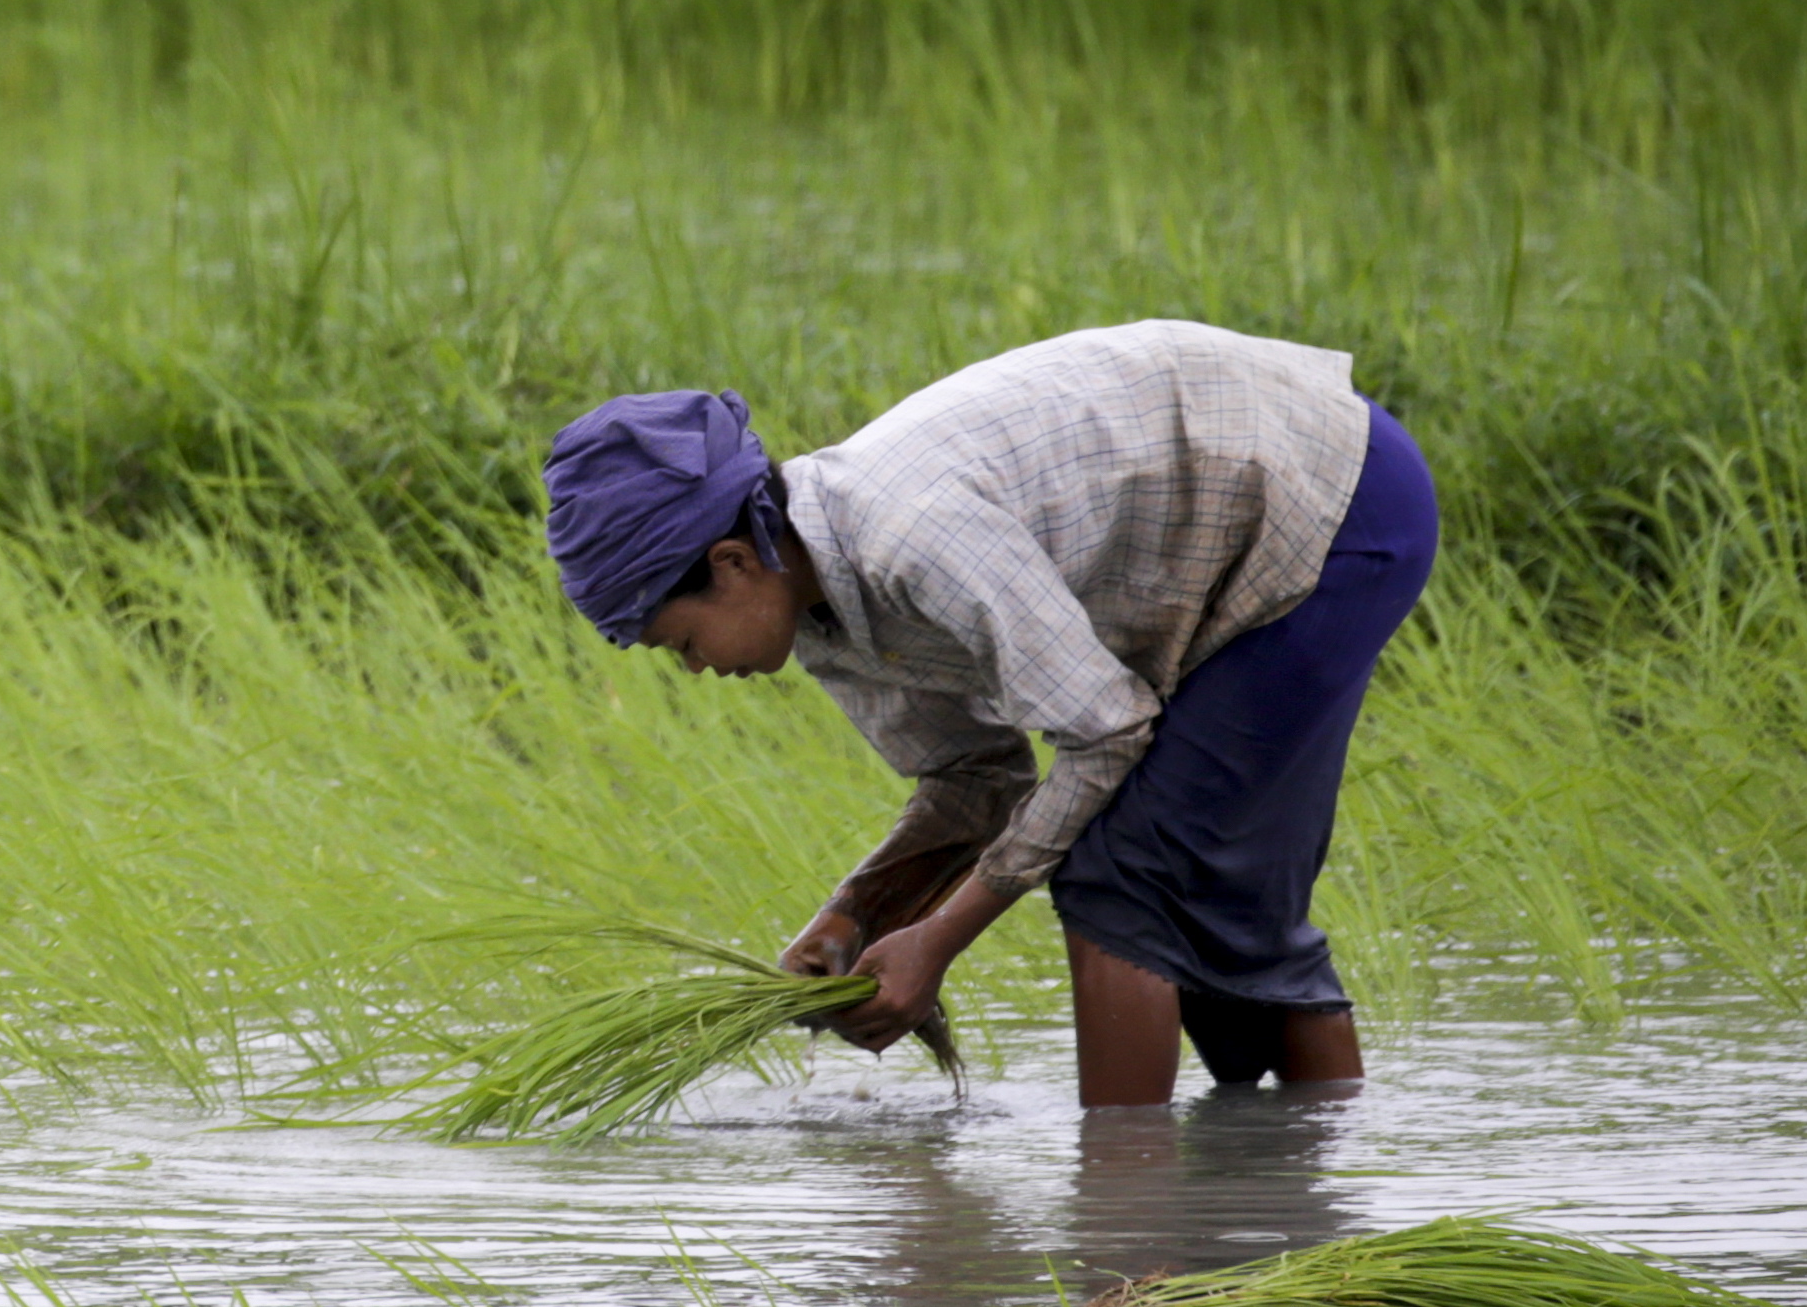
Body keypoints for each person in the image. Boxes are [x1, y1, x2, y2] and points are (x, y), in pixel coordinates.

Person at [541, 319, 1437, 1108]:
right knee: (1218, 908)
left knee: (1122, 882)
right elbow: (978, 778)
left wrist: (936, 941)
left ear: (734, 563)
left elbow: (1106, 730)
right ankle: (1299, 1191)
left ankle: (1122, 1238)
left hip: (1330, 501)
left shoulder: (908, 532)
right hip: (1247, 539)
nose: (695, 667)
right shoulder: (820, 610)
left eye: (679, 641)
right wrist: (859, 913)